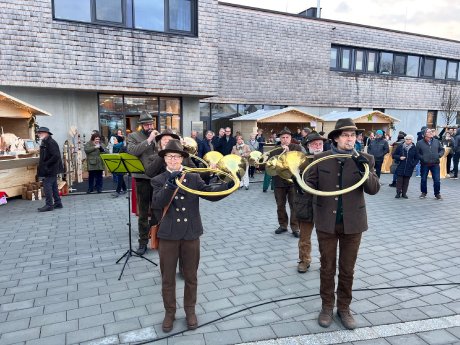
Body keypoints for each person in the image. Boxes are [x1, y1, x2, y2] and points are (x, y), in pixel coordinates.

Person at [305, 118, 380, 330]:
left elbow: (373, 190)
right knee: (327, 268)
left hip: (353, 224)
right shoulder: (320, 159)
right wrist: (299, 182)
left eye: (353, 135)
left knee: (347, 269)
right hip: (326, 223)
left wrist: (364, 168)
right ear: (336, 138)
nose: (350, 138)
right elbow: (308, 184)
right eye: (346, 135)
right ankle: (327, 306)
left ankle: (344, 308)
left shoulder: (366, 158)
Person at [151, 139, 232, 333]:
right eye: (169, 156)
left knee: (191, 276)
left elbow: (210, 195)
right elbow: (157, 203)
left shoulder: (193, 178)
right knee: (168, 278)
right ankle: (169, 313)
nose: (173, 159)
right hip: (168, 235)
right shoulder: (158, 180)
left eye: (177, 156)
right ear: (165, 159)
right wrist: (170, 185)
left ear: (182, 159)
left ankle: (190, 311)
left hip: (191, 233)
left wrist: (231, 183)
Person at [293, 131, 326, 273]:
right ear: (308, 146)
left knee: (325, 238)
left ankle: (326, 262)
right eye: (314, 144)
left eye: (320, 144)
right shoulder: (301, 161)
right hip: (305, 203)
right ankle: (304, 260)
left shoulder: (329, 159)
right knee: (304, 237)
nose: (318, 146)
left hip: (324, 205)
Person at [127, 111, 158, 254]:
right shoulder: (133, 136)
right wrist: (149, 140)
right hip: (142, 178)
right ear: (141, 125)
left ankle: (157, 237)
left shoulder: (158, 135)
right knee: (144, 212)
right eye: (147, 124)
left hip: (157, 177)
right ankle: (143, 242)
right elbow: (132, 151)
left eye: (151, 124)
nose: (150, 126)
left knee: (158, 210)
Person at [272, 129, 302, 237]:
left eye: (287, 137)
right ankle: (283, 225)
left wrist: (288, 152)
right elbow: (270, 165)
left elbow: (300, 162)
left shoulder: (297, 148)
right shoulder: (275, 149)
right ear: (280, 139)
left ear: (290, 138)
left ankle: (295, 228)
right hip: (279, 181)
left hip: (293, 181)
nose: (285, 140)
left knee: (294, 205)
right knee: (280, 205)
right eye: (283, 138)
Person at [36, 127, 64, 212]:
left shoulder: (50, 142)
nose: (39, 134)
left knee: (47, 186)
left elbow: (56, 156)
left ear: (46, 133)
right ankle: (58, 203)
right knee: (54, 186)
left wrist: (46, 164)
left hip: (50, 168)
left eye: (40, 133)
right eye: (38, 133)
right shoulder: (46, 142)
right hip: (51, 168)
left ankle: (49, 205)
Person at [416, 128, 445, 199]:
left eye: (431, 132)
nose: (431, 133)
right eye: (429, 132)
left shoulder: (436, 141)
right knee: (423, 179)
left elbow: (442, 150)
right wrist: (423, 158)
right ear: (424, 135)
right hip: (424, 164)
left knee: (437, 180)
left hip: (435, 164)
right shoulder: (419, 143)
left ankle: (437, 194)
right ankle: (423, 193)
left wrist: (439, 155)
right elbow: (417, 153)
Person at [392, 135, 418, 199]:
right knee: (399, 181)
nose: (407, 140)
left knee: (406, 181)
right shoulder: (400, 146)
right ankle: (398, 193)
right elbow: (394, 155)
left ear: (412, 140)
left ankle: (404, 193)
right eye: (406, 139)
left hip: (409, 167)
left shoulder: (414, 148)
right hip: (400, 165)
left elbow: (417, 158)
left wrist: (413, 164)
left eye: (409, 139)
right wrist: (399, 157)